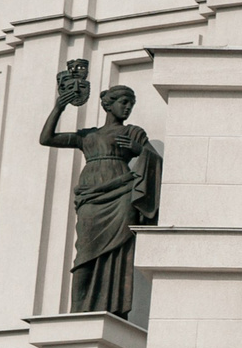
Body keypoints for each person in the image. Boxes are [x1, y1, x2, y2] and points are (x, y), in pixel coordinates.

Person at [38, 76, 159, 316]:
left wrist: (139, 150)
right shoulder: (88, 136)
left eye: (131, 104)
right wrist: (59, 107)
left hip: (121, 193)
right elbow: (47, 138)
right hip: (91, 196)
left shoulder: (134, 133)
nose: (128, 108)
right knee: (84, 253)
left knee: (118, 250)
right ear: (108, 104)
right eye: (123, 102)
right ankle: (78, 311)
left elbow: (156, 161)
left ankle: (114, 310)